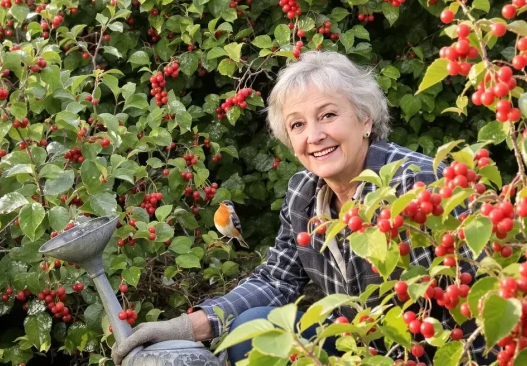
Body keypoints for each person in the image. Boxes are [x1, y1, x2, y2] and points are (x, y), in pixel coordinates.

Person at [111, 51, 491, 365]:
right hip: (361, 348)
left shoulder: (415, 187)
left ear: (365, 119)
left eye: (328, 115)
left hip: (442, 351)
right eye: (297, 124)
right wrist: (186, 327)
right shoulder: (304, 195)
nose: (314, 136)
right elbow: (276, 282)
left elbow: (466, 307)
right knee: (258, 328)